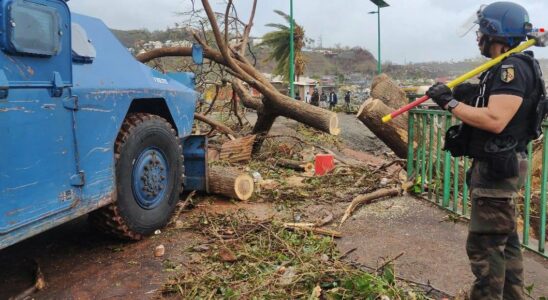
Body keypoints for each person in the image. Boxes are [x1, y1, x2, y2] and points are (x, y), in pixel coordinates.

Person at [426, 2, 544, 299]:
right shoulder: (507, 67)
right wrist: (460, 96)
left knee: (486, 249)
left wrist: (450, 104)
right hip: (499, 168)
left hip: (497, 172)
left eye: (482, 30)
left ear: (495, 33)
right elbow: (490, 106)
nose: (478, 36)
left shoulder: (510, 68)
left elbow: (495, 119)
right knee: (506, 245)